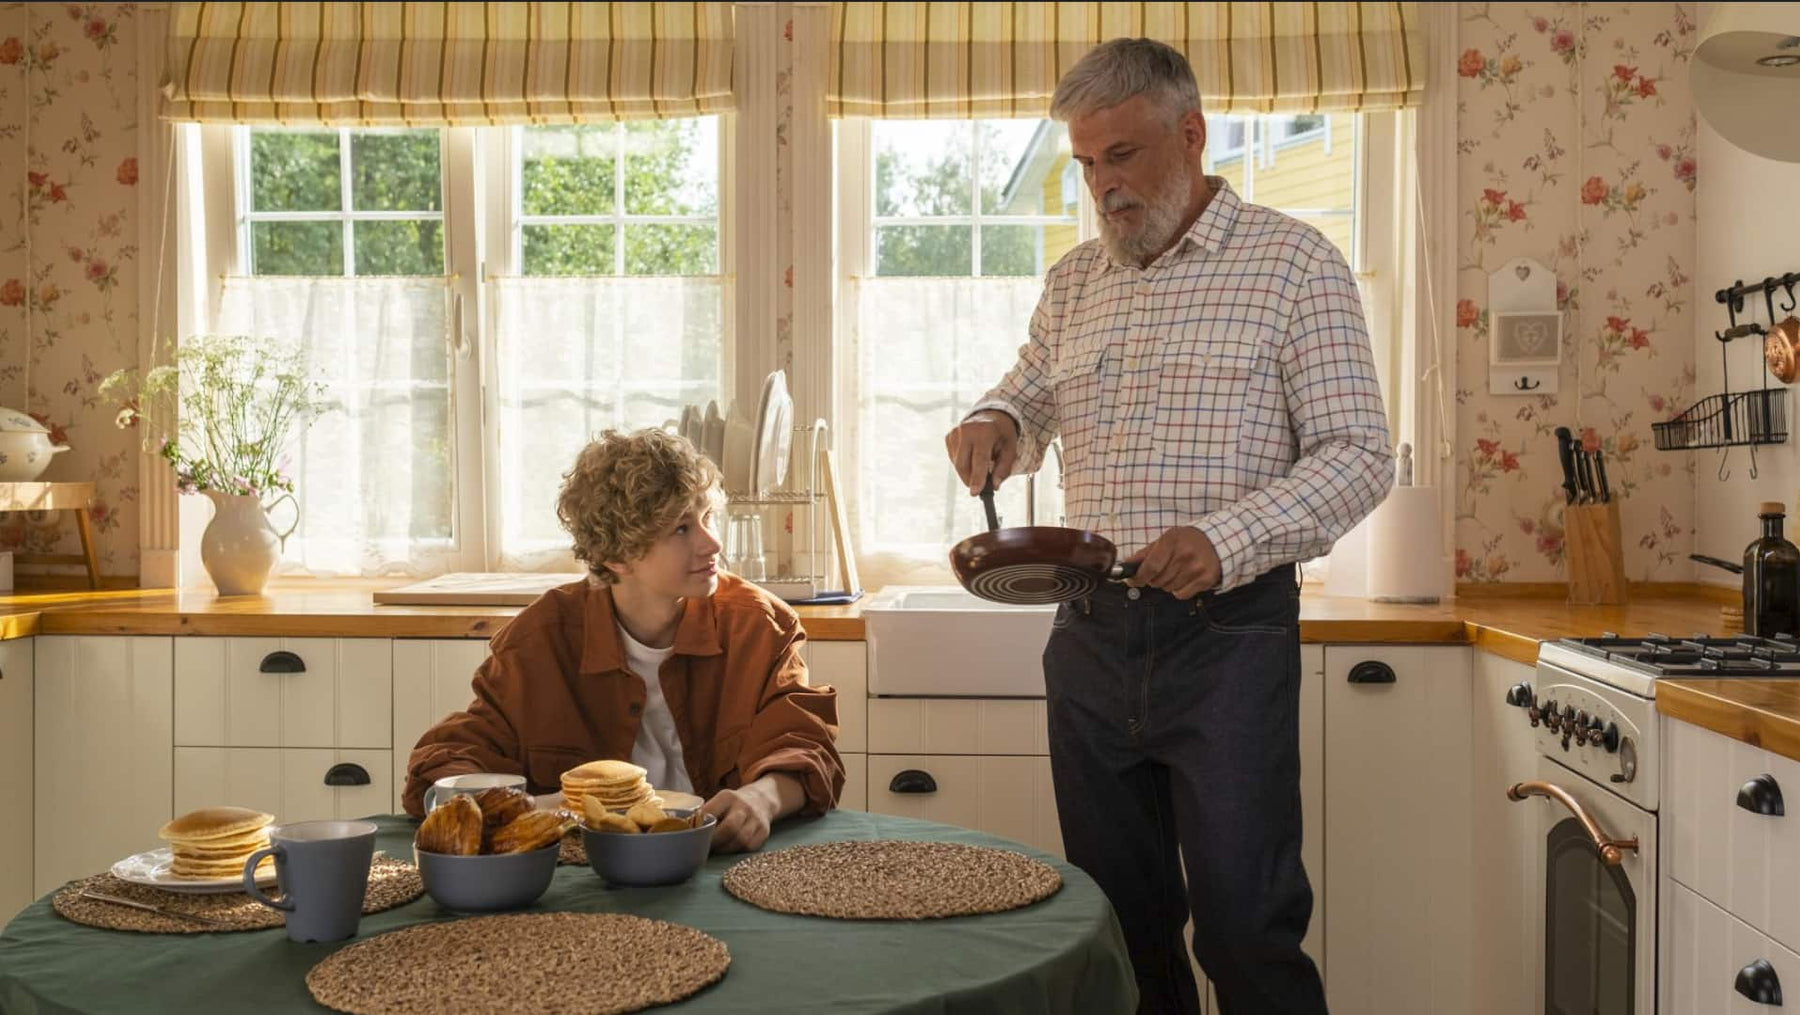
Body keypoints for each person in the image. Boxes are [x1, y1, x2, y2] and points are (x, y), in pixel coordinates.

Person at [944, 38, 1393, 1015]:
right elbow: (1026, 395)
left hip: (1227, 642)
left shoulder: (1295, 265)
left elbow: (1360, 454)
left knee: (1246, 930)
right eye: (1087, 162)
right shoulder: (1075, 284)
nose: (1102, 185)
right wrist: (996, 423)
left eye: (1124, 155)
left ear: (1190, 135)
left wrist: (1225, 539)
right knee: (1116, 930)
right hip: (1090, 640)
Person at [404, 428, 844, 854]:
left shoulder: (760, 626)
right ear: (617, 555)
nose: (712, 543)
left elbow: (805, 745)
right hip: (581, 879)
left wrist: (762, 800)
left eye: (707, 517)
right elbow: (446, 763)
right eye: (681, 528)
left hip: (723, 865)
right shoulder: (540, 640)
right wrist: (539, 810)